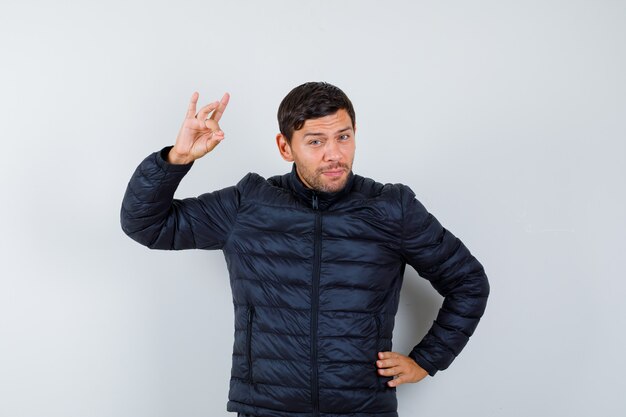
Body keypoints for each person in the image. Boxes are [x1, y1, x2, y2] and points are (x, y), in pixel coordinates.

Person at [120, 82, 489, 417]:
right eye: (315, 141)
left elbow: (468, 282)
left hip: (361, 409)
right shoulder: (248, 205)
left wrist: (425, 361)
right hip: (267, 409)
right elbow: (146, 225)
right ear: (285, 146)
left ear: (355, 134)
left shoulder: (392, 207)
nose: (334, 154)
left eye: (343, 137)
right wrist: (177, 159)